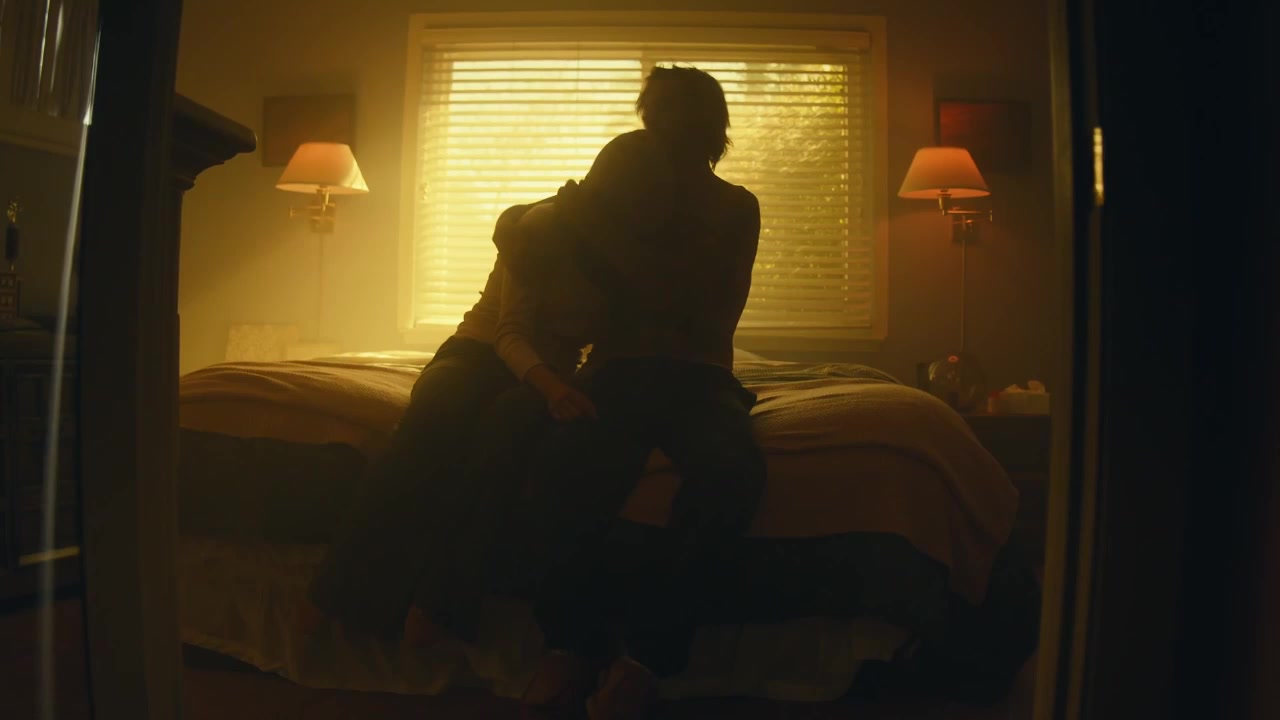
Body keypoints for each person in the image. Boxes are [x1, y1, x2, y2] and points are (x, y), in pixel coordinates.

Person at [495, 66, 766, 720]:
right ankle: (570, 644)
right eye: (657, 116)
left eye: (676, 116)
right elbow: (527, 233)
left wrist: (596, 226)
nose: (664, 129)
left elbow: (705, 313)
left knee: (733, 474)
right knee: (556, 470)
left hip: (700, 374)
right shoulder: (616, 195)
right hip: (619, 368)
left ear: (710, 127)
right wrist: (558, 214)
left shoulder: (735, 206)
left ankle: (646, 657)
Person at [301, 203, 596, 645]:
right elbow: (509, 333)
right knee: (432, 419)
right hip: (477, 350)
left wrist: (559, 385)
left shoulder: (627, 255)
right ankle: (332, 592)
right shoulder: (539, 230)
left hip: (544, 371)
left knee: (498, 441)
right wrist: (553, 387)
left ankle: (436, 605)